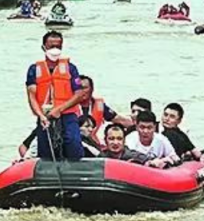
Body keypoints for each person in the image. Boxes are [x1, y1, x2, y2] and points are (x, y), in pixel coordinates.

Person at [25, 31, 88, 161]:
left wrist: (60, 109)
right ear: (44, 47)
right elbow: (32, 96)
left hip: (68, 114)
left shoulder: (71, 68)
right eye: (51, 46)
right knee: (46, 151)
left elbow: (79, 94)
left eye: (58, 46)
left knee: (73, 144)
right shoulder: (34, 70)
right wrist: (41, 116)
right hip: (45, 116)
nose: (55, 49)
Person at [100, 124, 168, 168]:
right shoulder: (100, 158)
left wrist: (153, 163)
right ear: (105, 140)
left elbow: (151, 160)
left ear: (124, 141)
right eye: (111, 139)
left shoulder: (133, 156)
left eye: (119, 139)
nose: (115, 142)